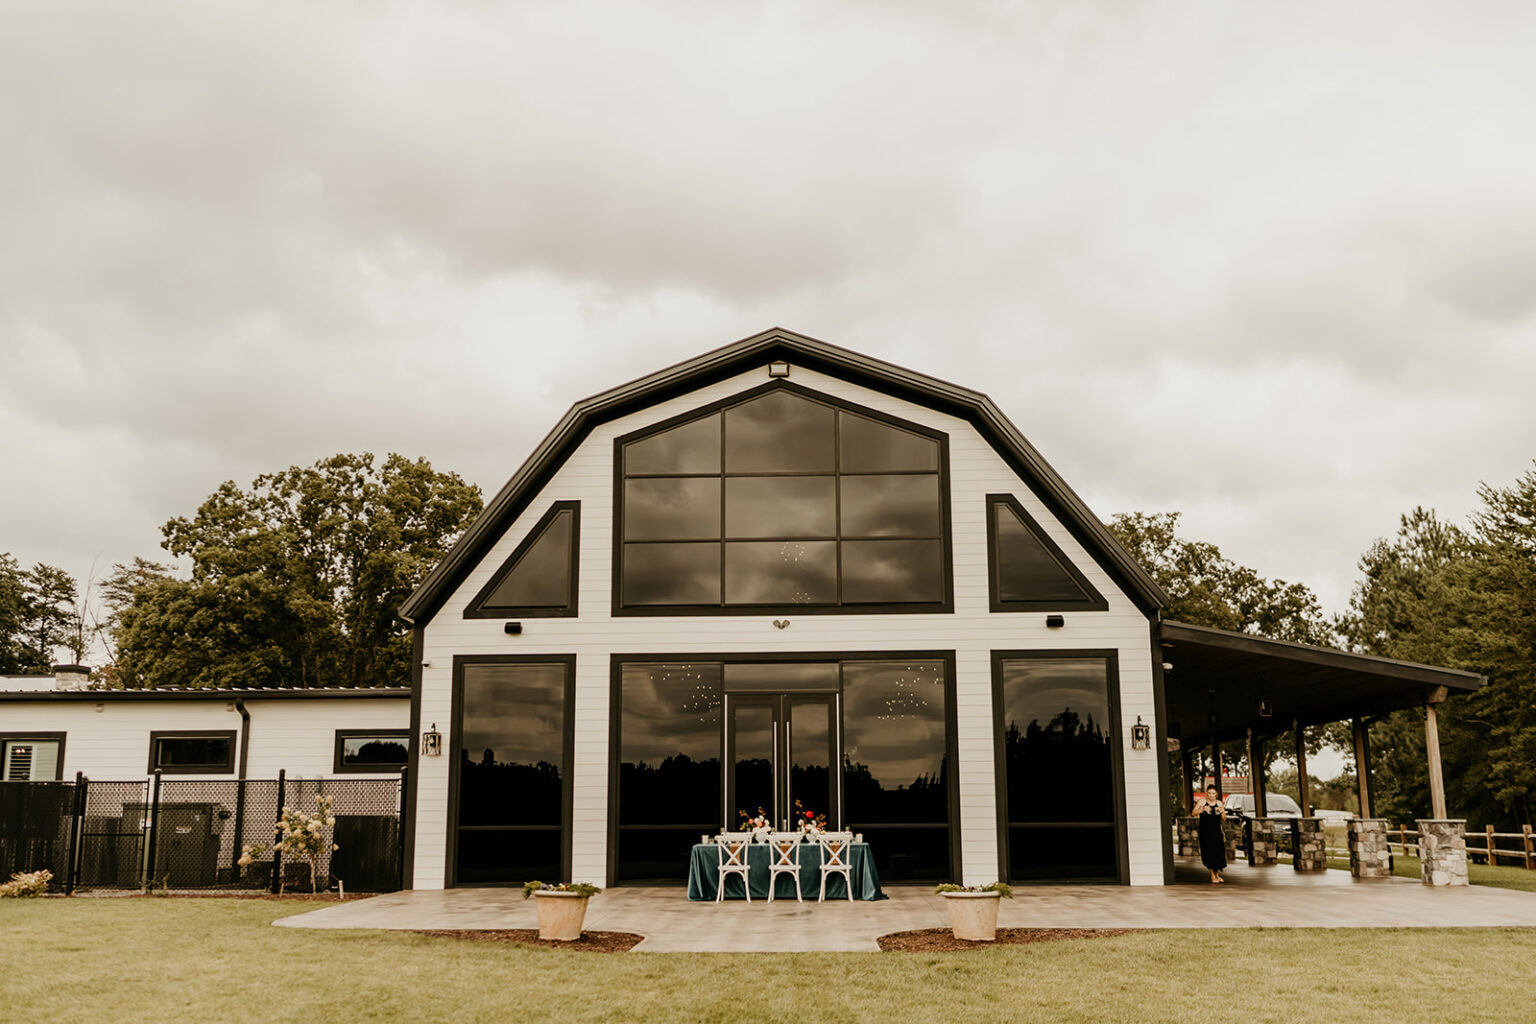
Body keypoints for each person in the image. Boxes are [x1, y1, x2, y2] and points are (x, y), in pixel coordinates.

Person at [1195, 785, 1227, 883]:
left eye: (1213, 793)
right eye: (1209, 793)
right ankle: (1212, 875)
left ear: (1216, 794)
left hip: (1216, 832)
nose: (1211, 795)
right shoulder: (1202, 802)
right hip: (1205, 832)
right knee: (1209, 852)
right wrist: (1202, 809)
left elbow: (1224, 819)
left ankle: (1217, 875)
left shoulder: (1219, 803)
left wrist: (1222, 812)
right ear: (1206, 794)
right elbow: (1193, 812)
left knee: (1218, 852)